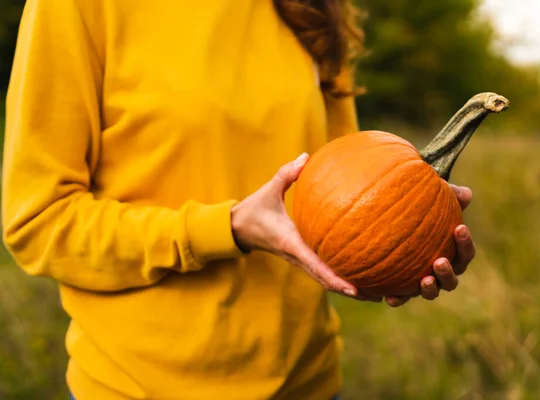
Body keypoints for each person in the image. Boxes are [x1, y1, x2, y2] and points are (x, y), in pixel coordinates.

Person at [2, 0, 475, 399]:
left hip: (308, 383)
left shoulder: (313, 9)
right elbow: (39, 222)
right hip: (141, 387)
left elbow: (350, 198)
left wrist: (413, 234)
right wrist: (224, 228)